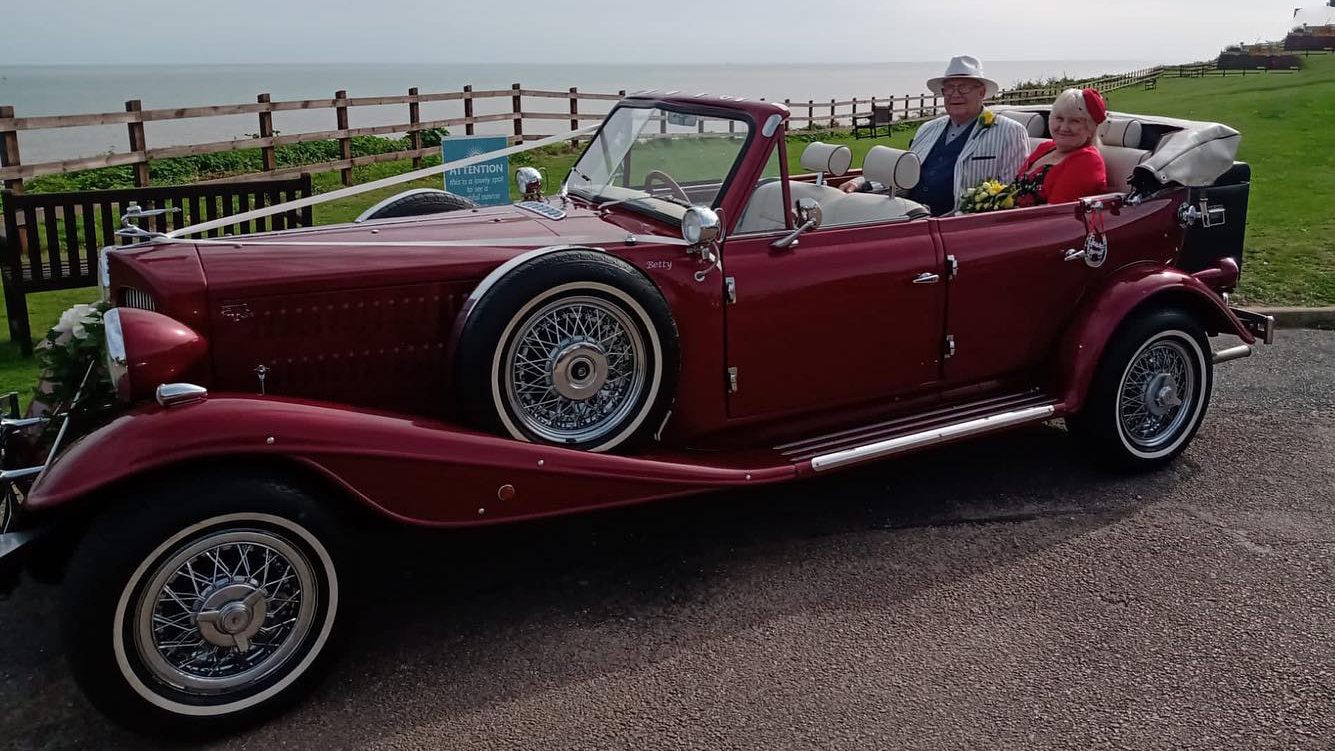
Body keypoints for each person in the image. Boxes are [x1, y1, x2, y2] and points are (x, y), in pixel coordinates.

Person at [841, 55, 1029, 217]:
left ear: (982, 92)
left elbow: (1012, 192)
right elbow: (903, 173)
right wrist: (859, 184)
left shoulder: (1010, 131)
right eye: (948, 89)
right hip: (909, 217)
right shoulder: (927, 128)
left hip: (960, 229)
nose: (955, 95)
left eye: (963, 87)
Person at [1014, 88, 1109, 206]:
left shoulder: (1088, 160)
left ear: (1090, 128)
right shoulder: (1045, 147)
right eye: (1059, 119)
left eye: (1074, 121)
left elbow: (1054, 213)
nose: (1064, 127)